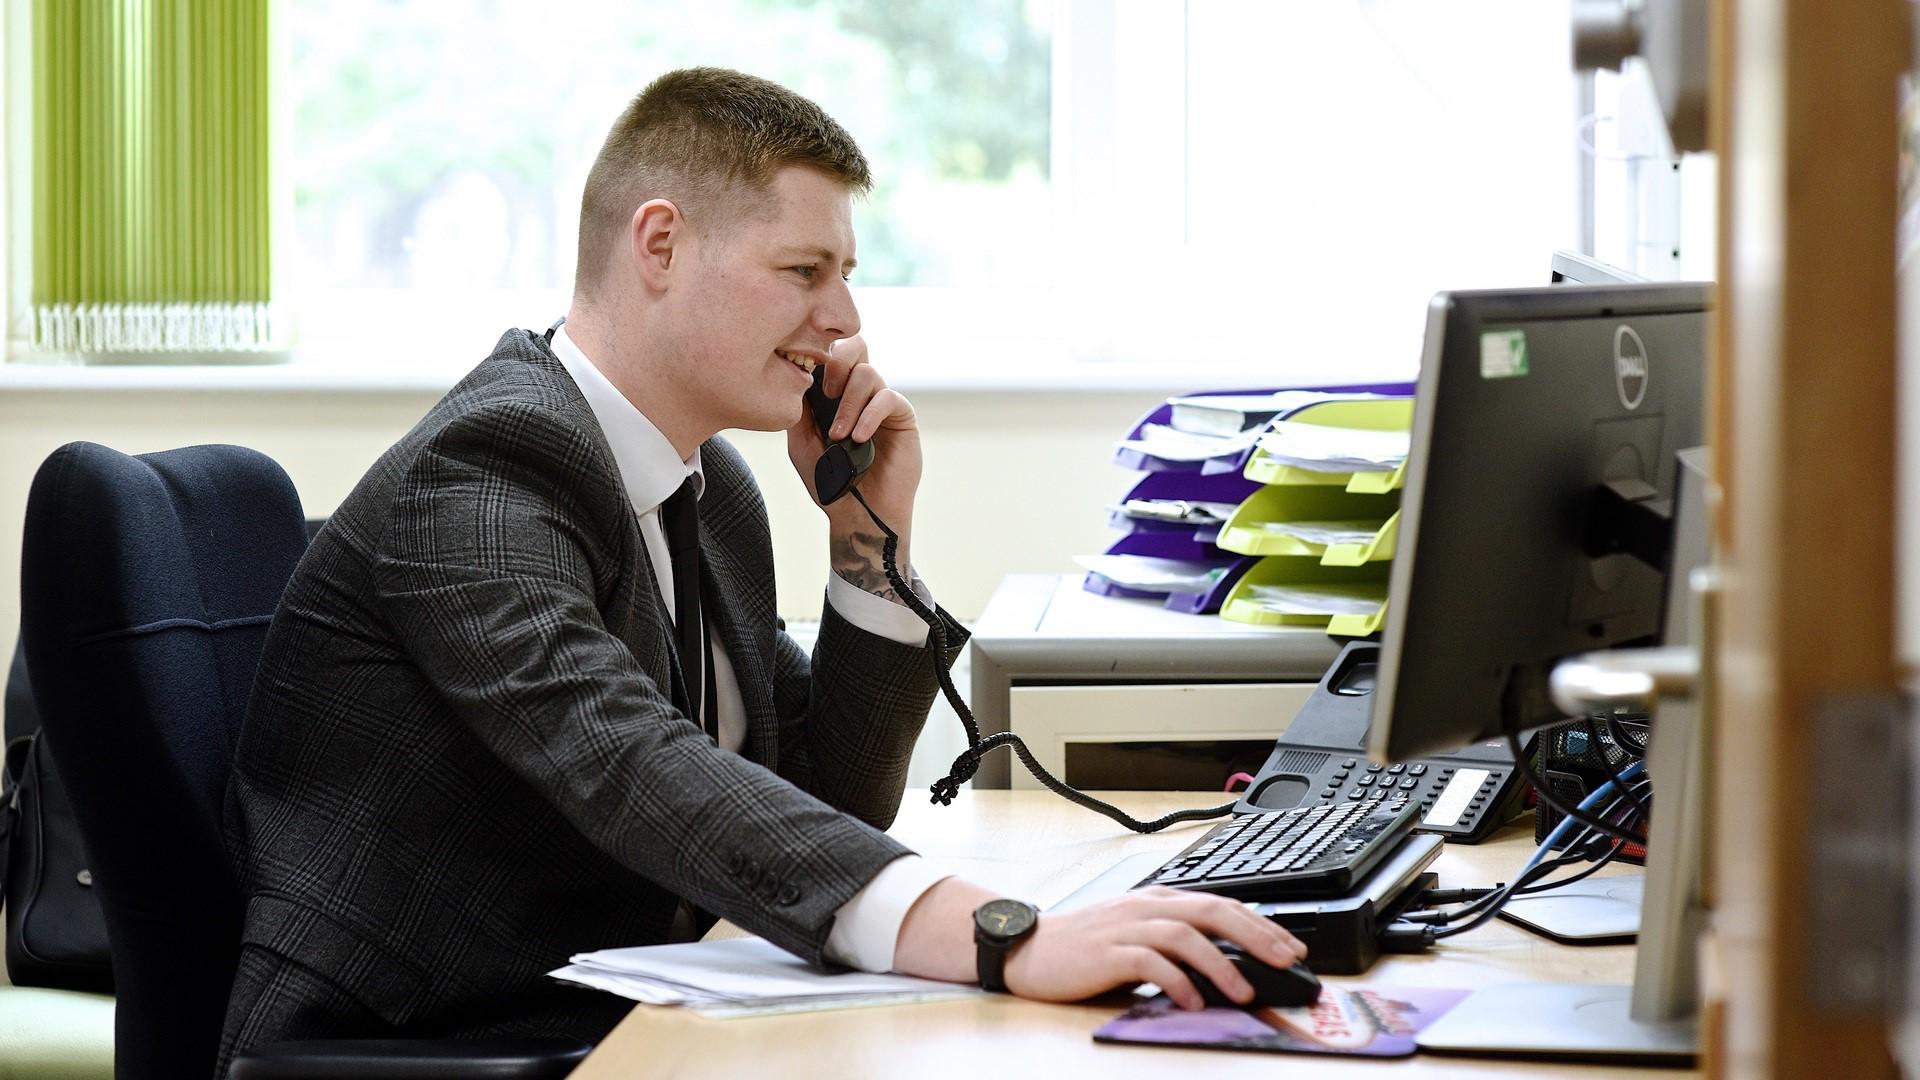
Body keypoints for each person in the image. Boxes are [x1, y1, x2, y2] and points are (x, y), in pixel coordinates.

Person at [216, 66, 1304, 1068]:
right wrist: (1000, 936)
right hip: (424, 1040)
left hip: (613, 1007)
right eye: (803, 272)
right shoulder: (484, 471)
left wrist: (869, 547)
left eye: (846, 275)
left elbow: (820, 800)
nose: (844, 321)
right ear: (660, 245)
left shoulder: (711, 487)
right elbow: (627, 760)